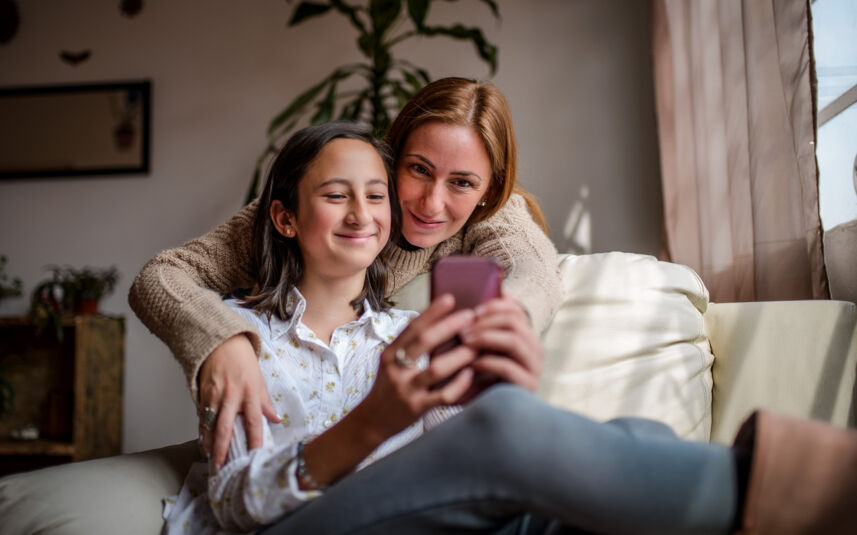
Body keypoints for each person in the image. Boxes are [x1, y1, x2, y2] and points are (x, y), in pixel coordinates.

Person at [161, 120, 740, 535]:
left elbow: (473, 452)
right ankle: (768, 482)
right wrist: (373, 423)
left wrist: (503, 378)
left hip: (419, 518)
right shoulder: (234, 338)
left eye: (376, 196)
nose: (362, 214)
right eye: (337, 196)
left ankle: (738, 492)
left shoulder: (408, 334)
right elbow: (238, 504)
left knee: (631, 453)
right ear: (285, 218)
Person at [130, 77, 563, 468]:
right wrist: (222, 342)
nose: (432, 204)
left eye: (463, 183)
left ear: (489, 190)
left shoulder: (489, 214)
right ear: (391, 160)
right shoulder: (319, 210)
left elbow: (534, 271)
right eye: (418, 170)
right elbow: (162, 275)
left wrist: (510, 322)